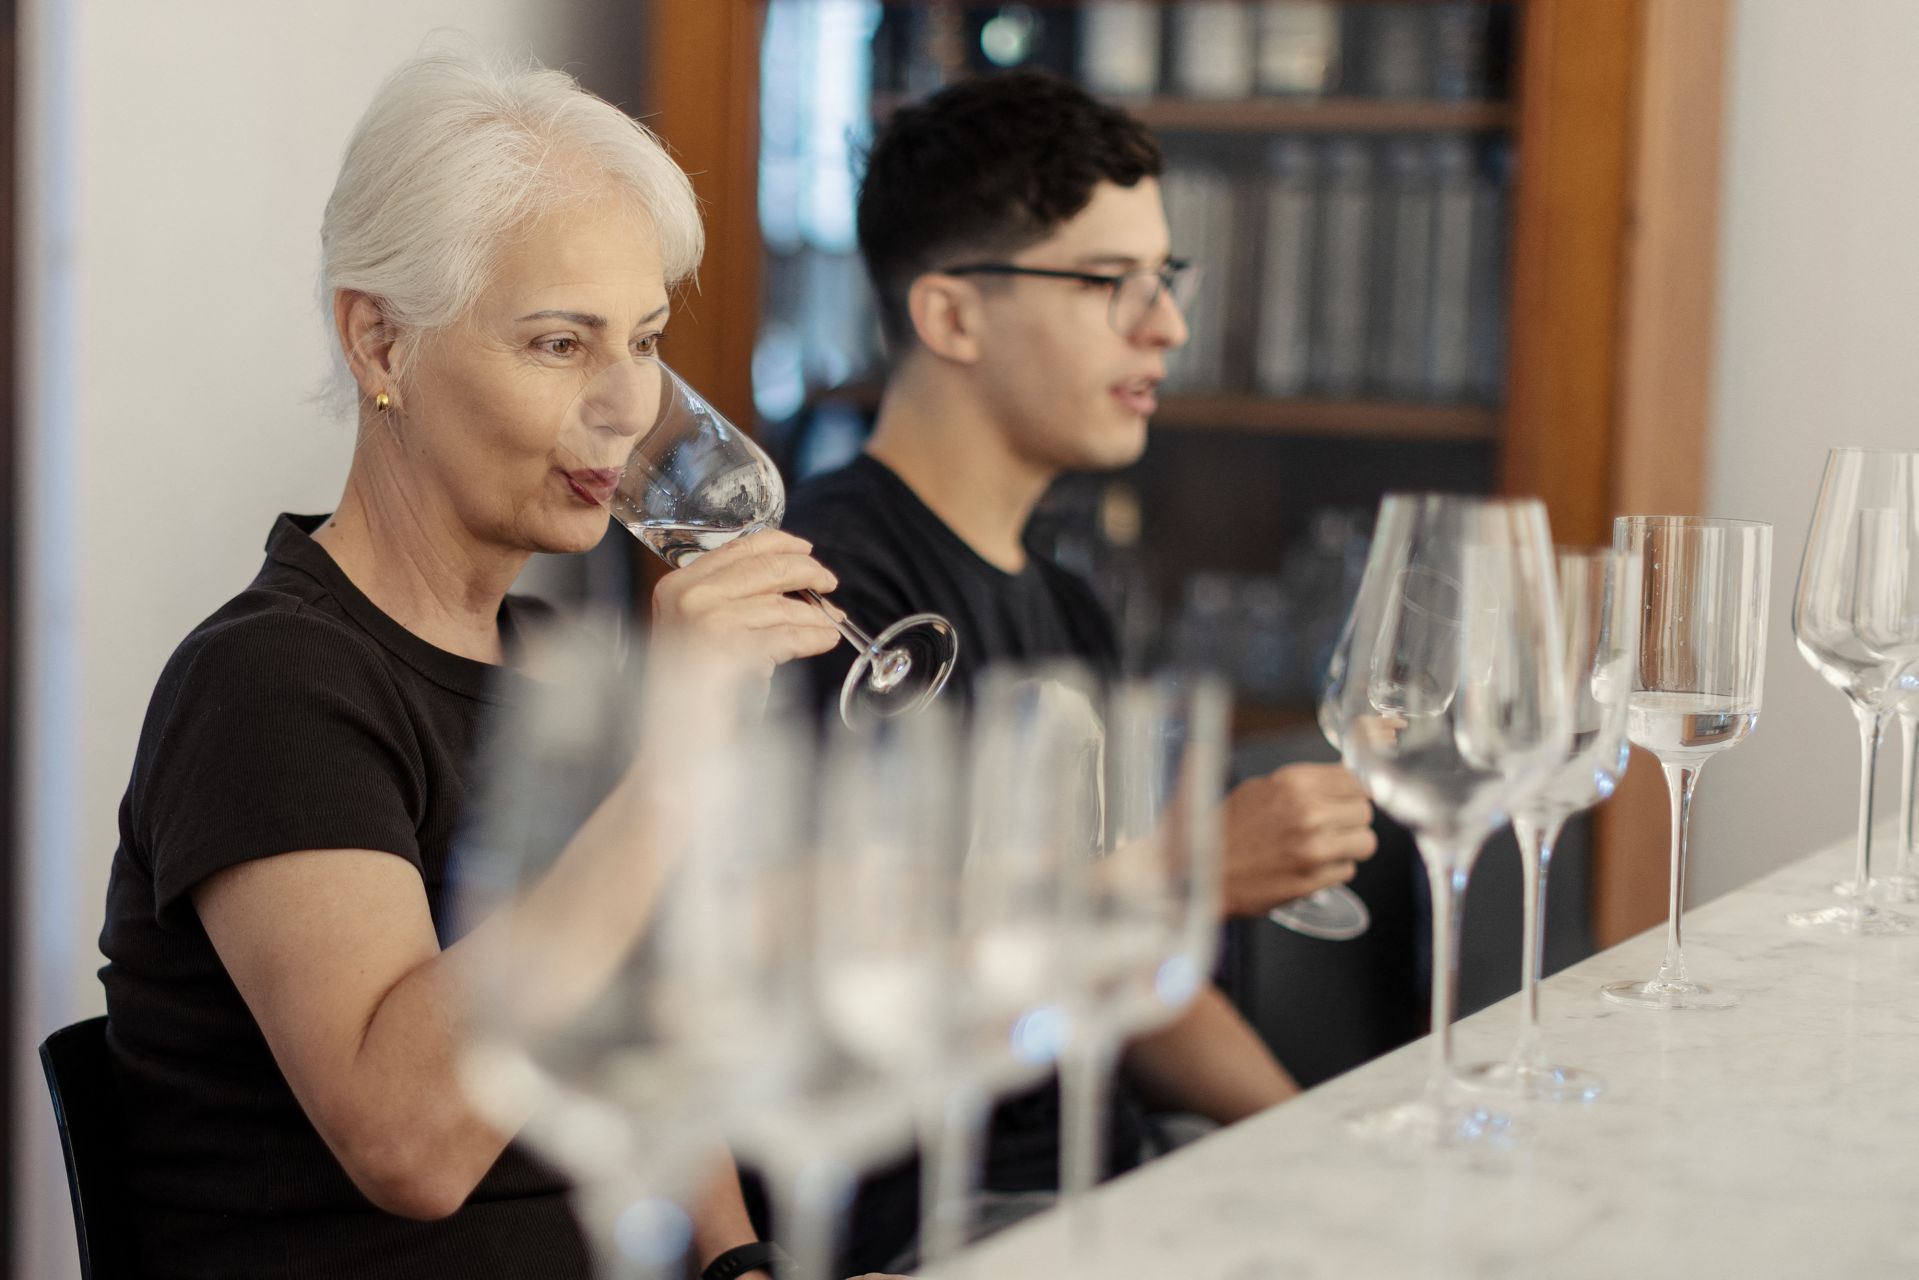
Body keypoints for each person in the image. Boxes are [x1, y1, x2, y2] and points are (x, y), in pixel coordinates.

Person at [97, 51, 867, 1280]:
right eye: (561, 343)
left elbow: (646, 1047)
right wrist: (672, 762)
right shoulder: (268, 684)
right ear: (380, 342)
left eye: (646, 341)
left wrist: (742, 1269)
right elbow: (412, 1143)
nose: (626, 406)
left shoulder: (560, 667)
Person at [781, 72, 1381, 1271]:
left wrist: (1331, 1150)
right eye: (1111, 283)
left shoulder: (1061, 599)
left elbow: (1132, 976)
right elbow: (857, 996)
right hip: (940, 1227)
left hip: (1125, 1185)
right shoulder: (826, 591)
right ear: (950, 317)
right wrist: (1186, 871)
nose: (1166, 327)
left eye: (1166, 281)